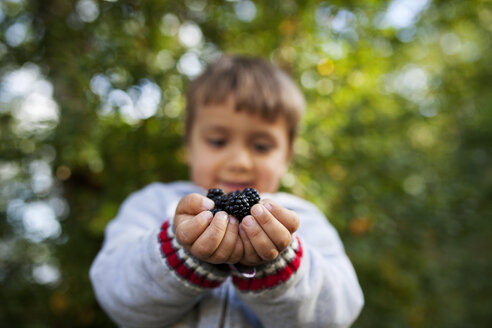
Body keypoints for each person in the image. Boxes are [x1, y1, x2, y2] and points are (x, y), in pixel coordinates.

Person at [90, 54, 364, 327]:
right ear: (189, 146)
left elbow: (337, 314)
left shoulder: (304, 220)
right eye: (218, 141)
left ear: (286, 157)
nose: (238, 162)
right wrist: (180, 251)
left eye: (261, 147)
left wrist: (280, 264)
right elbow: (116, 296)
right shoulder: (152, 204)